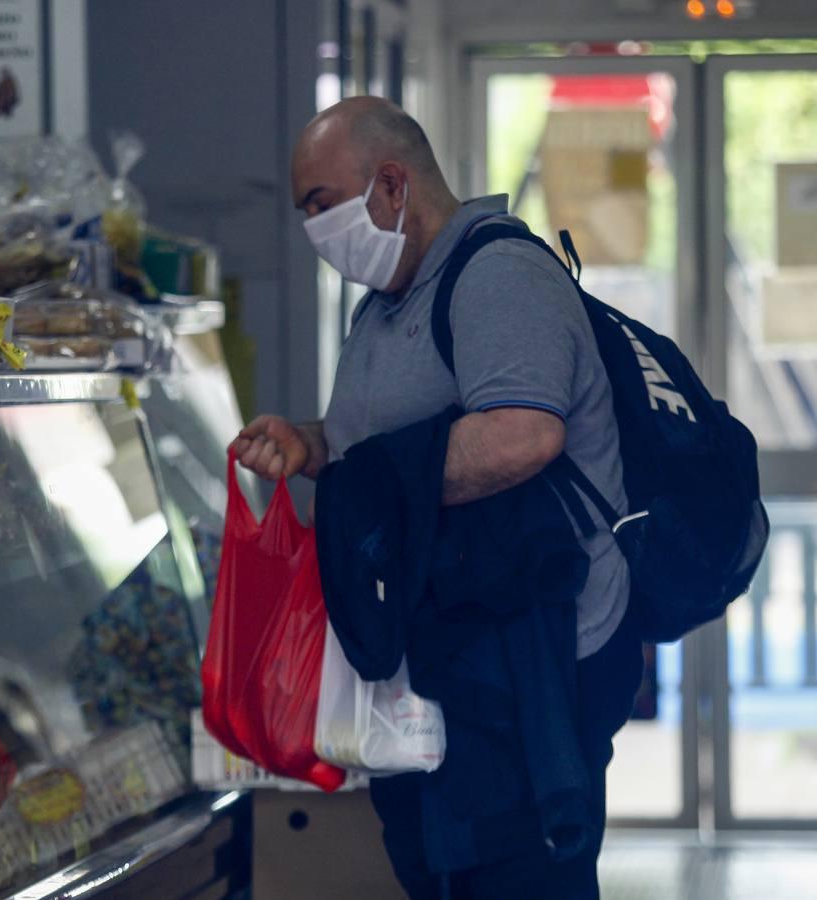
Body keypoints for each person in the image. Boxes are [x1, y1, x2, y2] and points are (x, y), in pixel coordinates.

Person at [230, 96, 645, 897]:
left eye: (321, 206)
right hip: (440, 666)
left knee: (517, 877)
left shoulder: (499, 278)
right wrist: (314, 446)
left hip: (527, 671)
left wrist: (362, 490)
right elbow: (384, 443)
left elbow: (524, 434)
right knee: (440, 873)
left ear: (391, 185)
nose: (313, 231)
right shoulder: (387, 301)